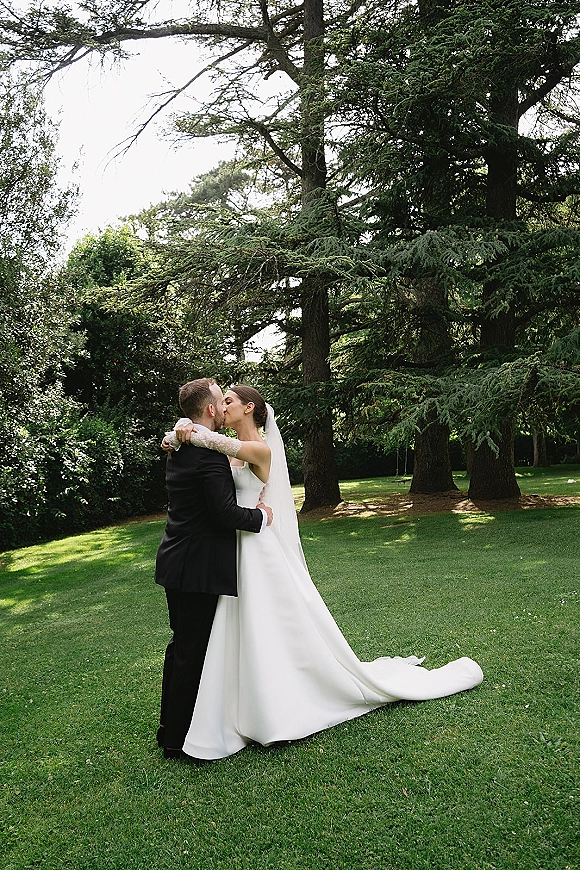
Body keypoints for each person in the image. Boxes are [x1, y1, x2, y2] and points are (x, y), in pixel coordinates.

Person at [164, 385, 483, 761]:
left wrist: (185, 429)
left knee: (265, 624)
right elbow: (211, 452)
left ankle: (278, 701)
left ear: (249, 408)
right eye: (220, 401)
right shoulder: (212, 444)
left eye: (230, 400)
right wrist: (181, 428)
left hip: (256, 545)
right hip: (231, 549)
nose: (223, 405)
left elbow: (221, 447)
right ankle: (235, 702)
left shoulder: (259, 450)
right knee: (234, 630)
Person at [154, 378, 272, 759]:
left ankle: (170, 727)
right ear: (209, 410)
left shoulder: (181, 447)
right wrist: (262, 517)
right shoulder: (205, 454)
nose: (224, 407)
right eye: (221, 401)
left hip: (177, 561)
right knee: (190, 649)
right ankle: (176, 738)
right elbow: (223, 514)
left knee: (180, 647)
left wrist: (177, 431)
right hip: (196, 567)